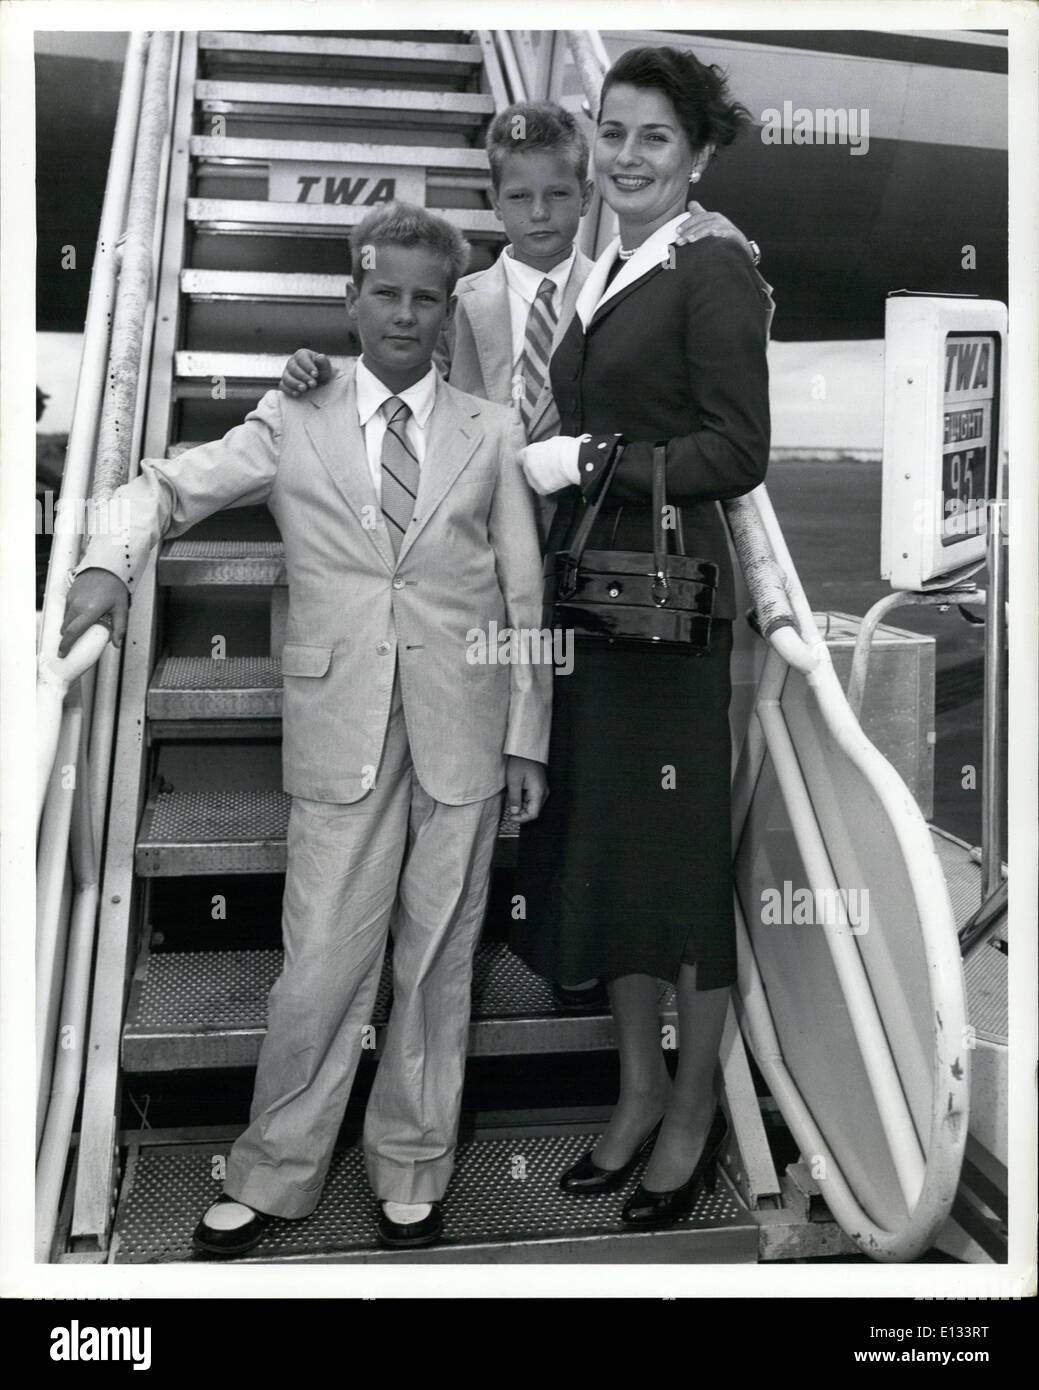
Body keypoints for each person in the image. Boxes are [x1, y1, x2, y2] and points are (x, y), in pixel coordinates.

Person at [59, 203, 551, 1256]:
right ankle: (275, 1168)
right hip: (340, 728)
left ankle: (413, 1164)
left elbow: (522, 592)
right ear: (352, 298)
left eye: (427, 297)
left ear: (445, 309)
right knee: (321, 958)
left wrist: (527, 736)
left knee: (437, 959)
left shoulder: (493, 427)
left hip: (463, 728)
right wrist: (105, 560)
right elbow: (166, 487)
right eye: (387, 293)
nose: (406, 314)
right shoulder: (296, 415)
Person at [278, 99, 766, 1019]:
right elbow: (404, 395)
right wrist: (318, 372)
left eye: (557, 196)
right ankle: (535, 933)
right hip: (485, 564)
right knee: (507, 748)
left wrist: (714, 225)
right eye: (518, 198)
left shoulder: (627, 274)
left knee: (590, 780)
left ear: (585, 197)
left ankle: (574, 954)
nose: (539, 215)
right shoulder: (454, 300)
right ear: (493, 203)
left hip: (595, 559)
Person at [509, 45, 772, 1227]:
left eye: (653, 138)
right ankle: (634, 1089)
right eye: (611, 132)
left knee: (675, 868)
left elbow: (736, 450)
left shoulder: (714, 269)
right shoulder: (610, 258)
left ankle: (690, 1110)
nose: (624, 155)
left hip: (668, 608)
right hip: (598, 603)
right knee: (607, 848)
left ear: (697, 154)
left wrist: (589, 459)